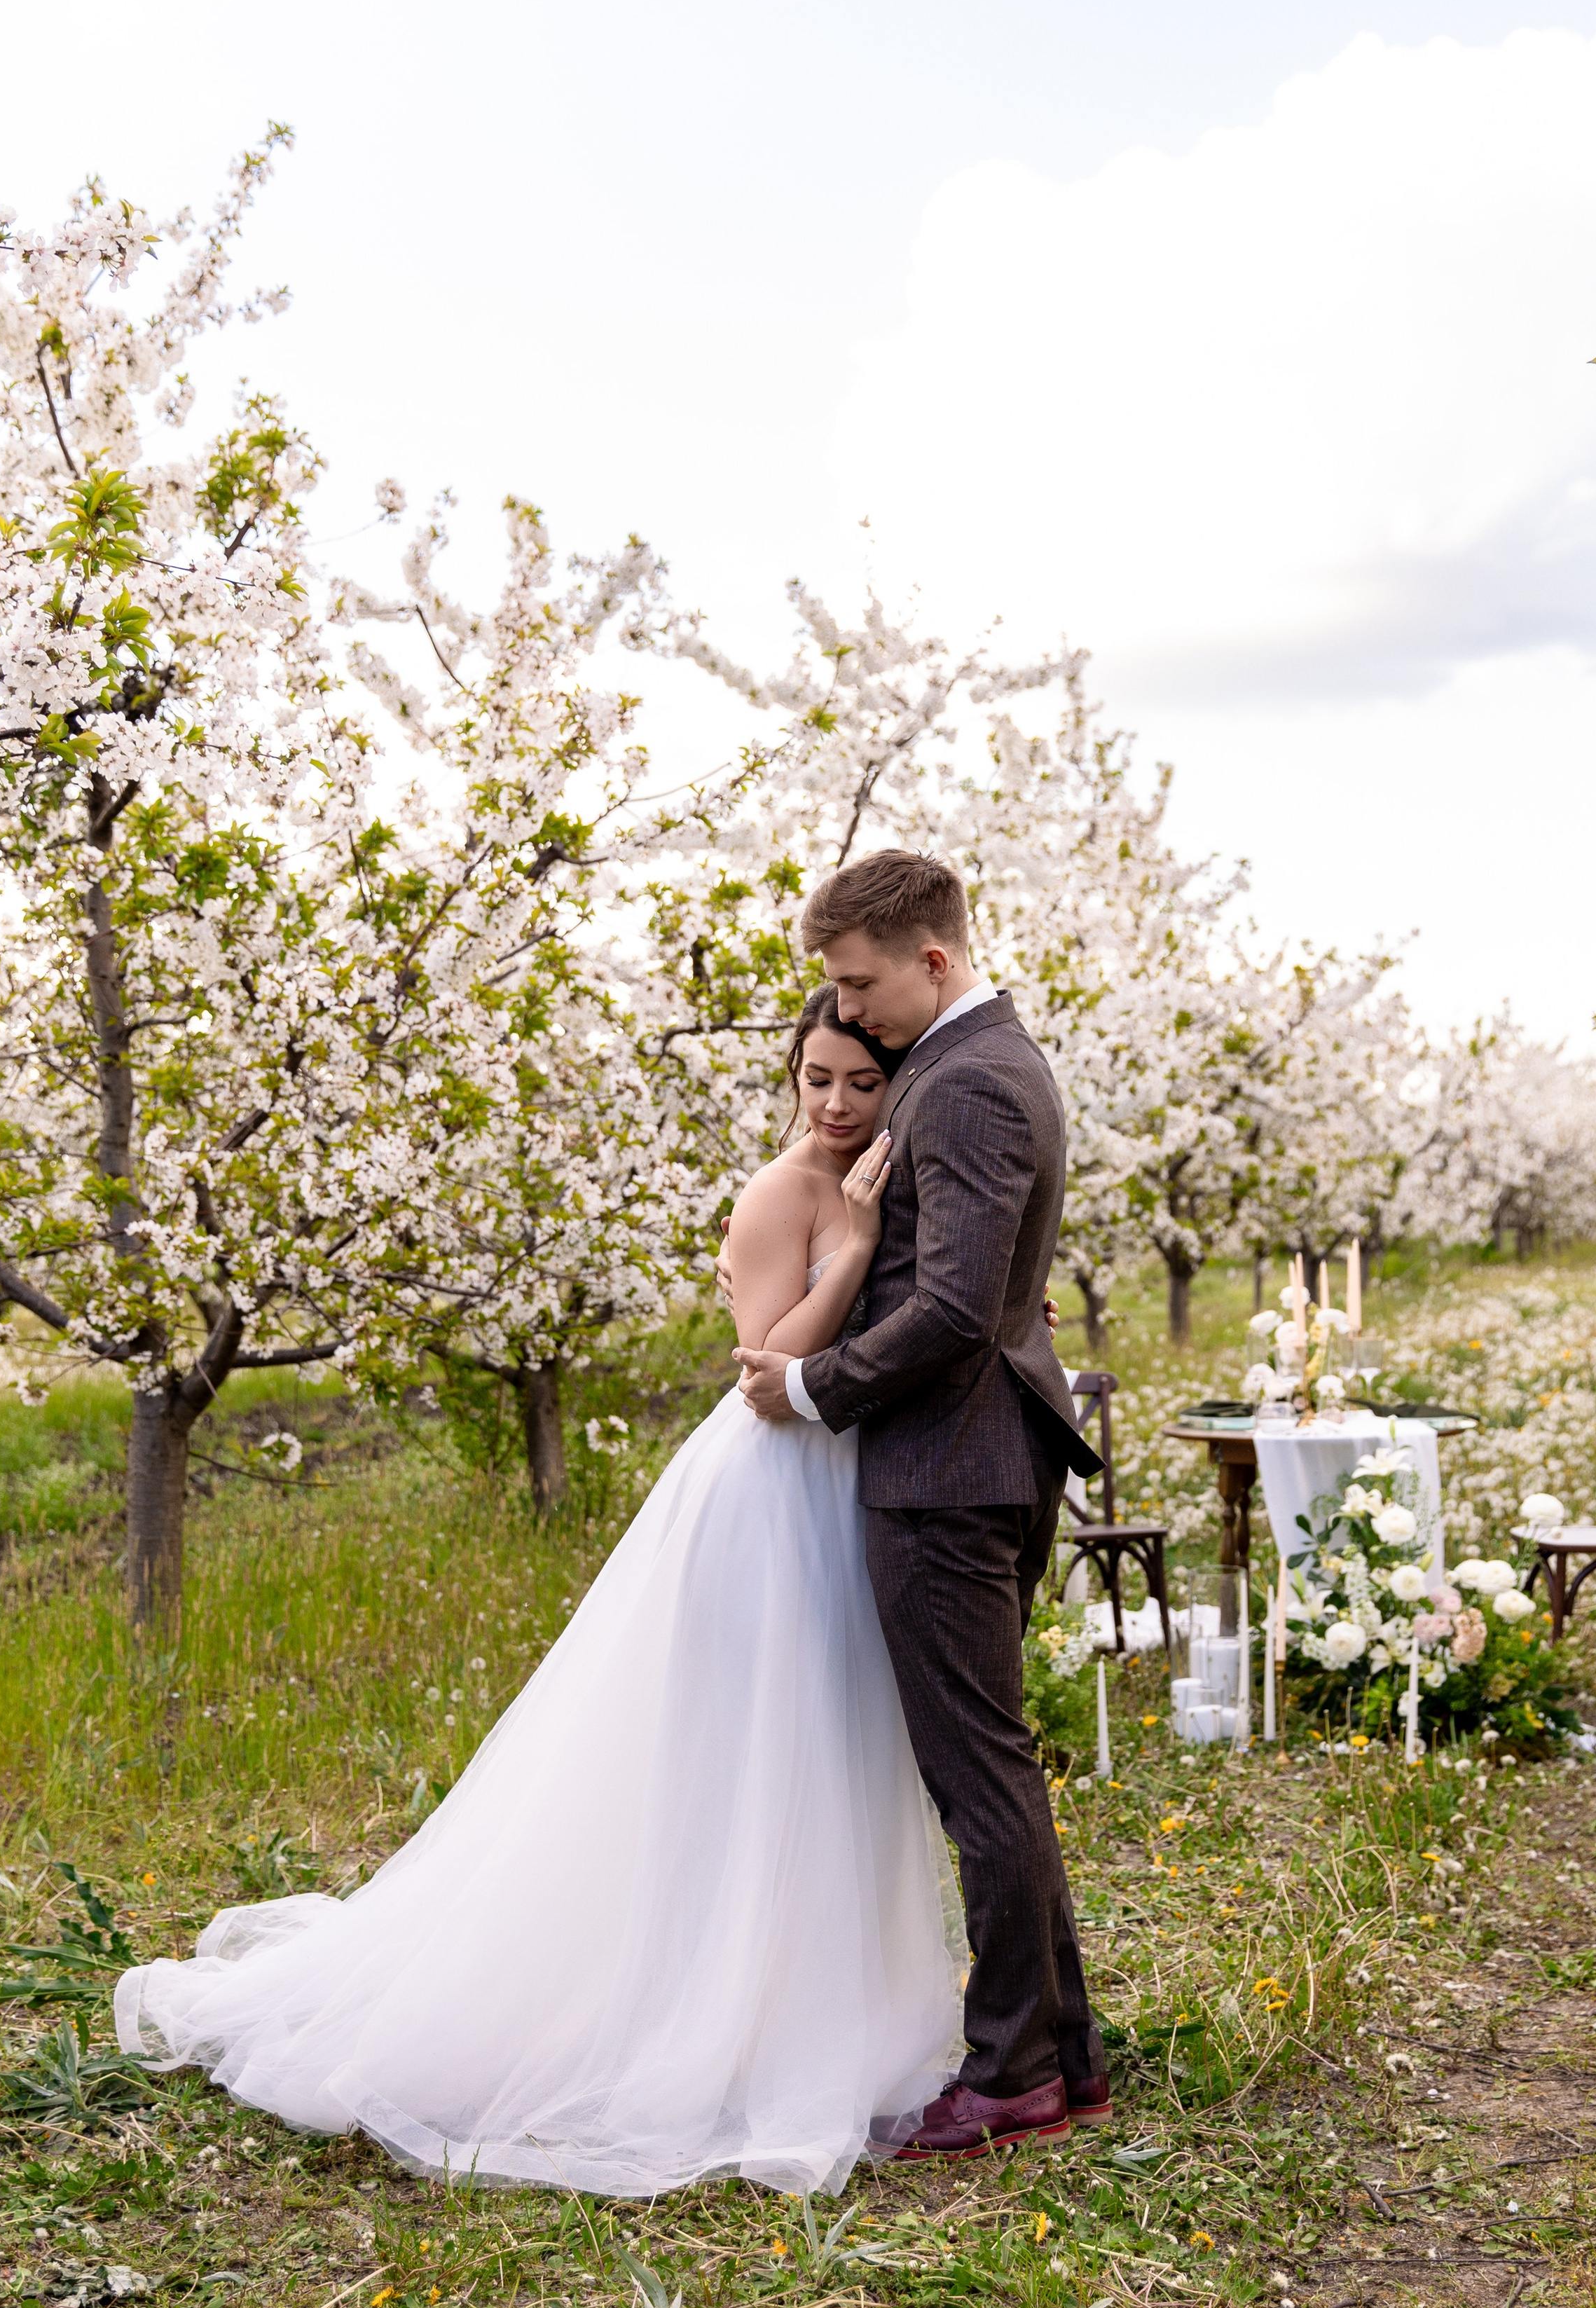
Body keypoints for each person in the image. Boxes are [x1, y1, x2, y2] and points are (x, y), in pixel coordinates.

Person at [113, 989, 969, 2198]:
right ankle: (700, 2001)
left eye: (860, 1083)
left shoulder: (879, 1179)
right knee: (752, 1737)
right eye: (815, 1079)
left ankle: (803, 1989)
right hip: (770, 1479)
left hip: (842, 1475)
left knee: (825, 1734)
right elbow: (769, 1355)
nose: (834, 1104)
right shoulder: (787, 1191)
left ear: (894, 1089)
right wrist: (860, 1258)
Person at [731, 848, 1110, 2161]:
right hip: (976, 1452)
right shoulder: (974, 1068)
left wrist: (816, 1387)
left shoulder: (968, 1083)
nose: (852, 1010)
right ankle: (1062, 2053)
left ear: (931, 960)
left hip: (948, 1467)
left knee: (978, 1773)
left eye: (861, 981)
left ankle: (1011, 2074)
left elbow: (954, 1307)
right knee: (991, 1760)